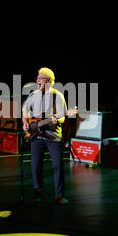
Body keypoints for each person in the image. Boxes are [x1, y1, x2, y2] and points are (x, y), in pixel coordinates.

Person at [22, 67, 69, 205]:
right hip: (36, 136)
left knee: (57, 165)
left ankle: (59, 195)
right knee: (35, 165)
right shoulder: (33, 95)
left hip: (52, 136)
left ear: (48, 81)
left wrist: (56, 119)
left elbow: (62, 117)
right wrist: (25, 123)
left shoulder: (57, 96)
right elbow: (25, 111)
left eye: (40, 78)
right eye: (37, 78)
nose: (37, 81)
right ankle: (38, 193)